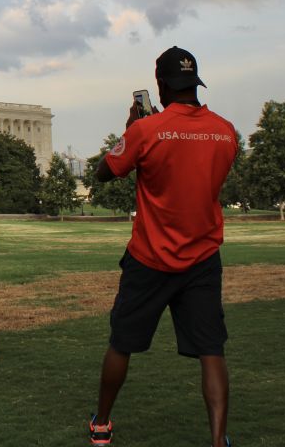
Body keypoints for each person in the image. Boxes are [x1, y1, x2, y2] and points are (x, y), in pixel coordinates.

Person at [89, 47, 238, 447]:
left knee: (122, 343)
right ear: (195, 83)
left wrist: (132, 128)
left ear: (161, 84)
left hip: (150, 257)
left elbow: (105, 172)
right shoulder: (226, 131)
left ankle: (101, 424)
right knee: (211, 350)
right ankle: (218, 439)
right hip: (203, 257)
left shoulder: (146, 130)